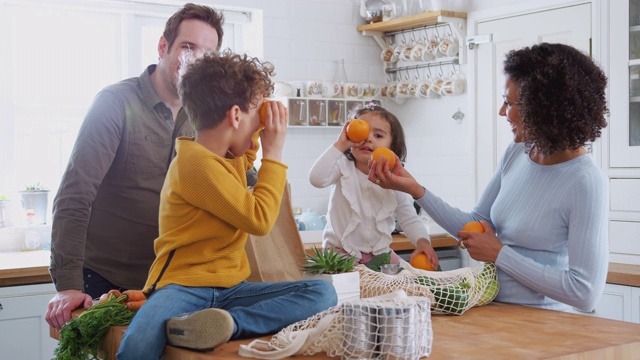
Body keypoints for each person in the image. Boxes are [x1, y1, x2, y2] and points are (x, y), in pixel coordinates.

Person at [45, 4, 260, 330]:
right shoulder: (115, 104)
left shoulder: (208, 116)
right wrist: (69, 284)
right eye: (187, 47)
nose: (194, 61)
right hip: (107, 280)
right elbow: (75, 195)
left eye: (207, 54)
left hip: (176, 284)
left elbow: (242, 179)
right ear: (163, 47)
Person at [116, 51, 337, 359]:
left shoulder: (224, 157)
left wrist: (259, 123)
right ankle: (185, 324)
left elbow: (244, 154)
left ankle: (225, 324)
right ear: (235, 116)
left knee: (322, 292)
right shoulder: (194, 164)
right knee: (136, 347)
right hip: (182, 288)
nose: (260, 122)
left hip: (231, 291)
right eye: (256, 113)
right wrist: (273, 152)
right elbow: (259, 219)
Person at [369, 43, 609, 312]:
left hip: (545, 322)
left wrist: (499, 254)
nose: (501, 112)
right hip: (492, 308)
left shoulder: (585, 181)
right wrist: (417, 190)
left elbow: (584, 292)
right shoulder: (517, 152)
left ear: (542, 108)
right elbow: (476, 224)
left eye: (509, 102)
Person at [309, 104, 439, 269]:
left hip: (379, 252)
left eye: (378, 135)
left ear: (393, 147)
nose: (368, 138)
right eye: (363, 132)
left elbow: (409, 218)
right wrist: (340, 144)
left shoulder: (395, 178)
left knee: (410, 279)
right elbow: (316, 179)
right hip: (338, 254)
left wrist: (423, 242)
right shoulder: (342, 168)